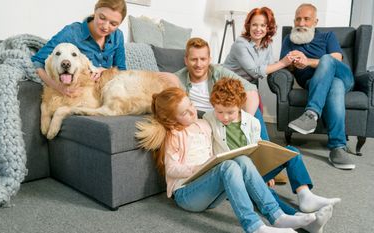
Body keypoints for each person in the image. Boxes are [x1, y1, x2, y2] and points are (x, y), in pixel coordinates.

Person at [135, 87, 318, 233]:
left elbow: (225, 123)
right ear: (172, 120)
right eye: (185, 113)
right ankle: (254, 226)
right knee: (228, 166)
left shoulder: (204, 124)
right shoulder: (175, 134)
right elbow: (171, 169)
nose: (192, 111)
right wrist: (198, 168)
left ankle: (277, 216)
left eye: (191, 104)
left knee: (242, 160)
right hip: (187, 194)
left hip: (211, 194)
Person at [203, 77, 340, 233]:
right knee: (265, 194)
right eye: (219, 111)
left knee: (292, 152)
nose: (225, 117)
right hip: (233, 176)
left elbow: (260, 147)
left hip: (256, 168)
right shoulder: (209, 119)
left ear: (240, 105)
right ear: (213, 106)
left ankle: (305, 195)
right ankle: (303, 221)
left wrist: (269, 166)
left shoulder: (252, 122)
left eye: (230, 112)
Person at [280, 3, 355, 170]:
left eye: (306, 19)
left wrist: (308, 61)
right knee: (334, 86)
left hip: (343, 76)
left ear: (315, 21)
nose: (301, 23)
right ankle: (337, 148)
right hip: (313, 83)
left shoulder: (328, 36)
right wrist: (294, 62)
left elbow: (336, 60)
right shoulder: (289, 40)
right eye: (298, 19)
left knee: (328, 60)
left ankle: (311, 113)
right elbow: (285, 66)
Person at [174, 37, 269, 141]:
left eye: (203, 59)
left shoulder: (218, 72)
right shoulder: (176, 79)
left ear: (209, 60)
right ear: (186, 60)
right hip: (204, 119)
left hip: (225, 114)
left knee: (253, 109)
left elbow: (250, 89)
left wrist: (246, 121)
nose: (198, 64)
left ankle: (264, 146)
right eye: (193, 59)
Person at [223, 7, 293, 84]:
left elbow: (271, 65)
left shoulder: (267, 44)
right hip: (228, 84)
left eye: (263, 25)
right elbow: (255, 72)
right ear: (249, 26)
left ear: (268, 28)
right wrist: (283, 63)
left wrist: (289, 61)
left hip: (247, 84)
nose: (258, 29)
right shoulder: (240, 44)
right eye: (254, 25)